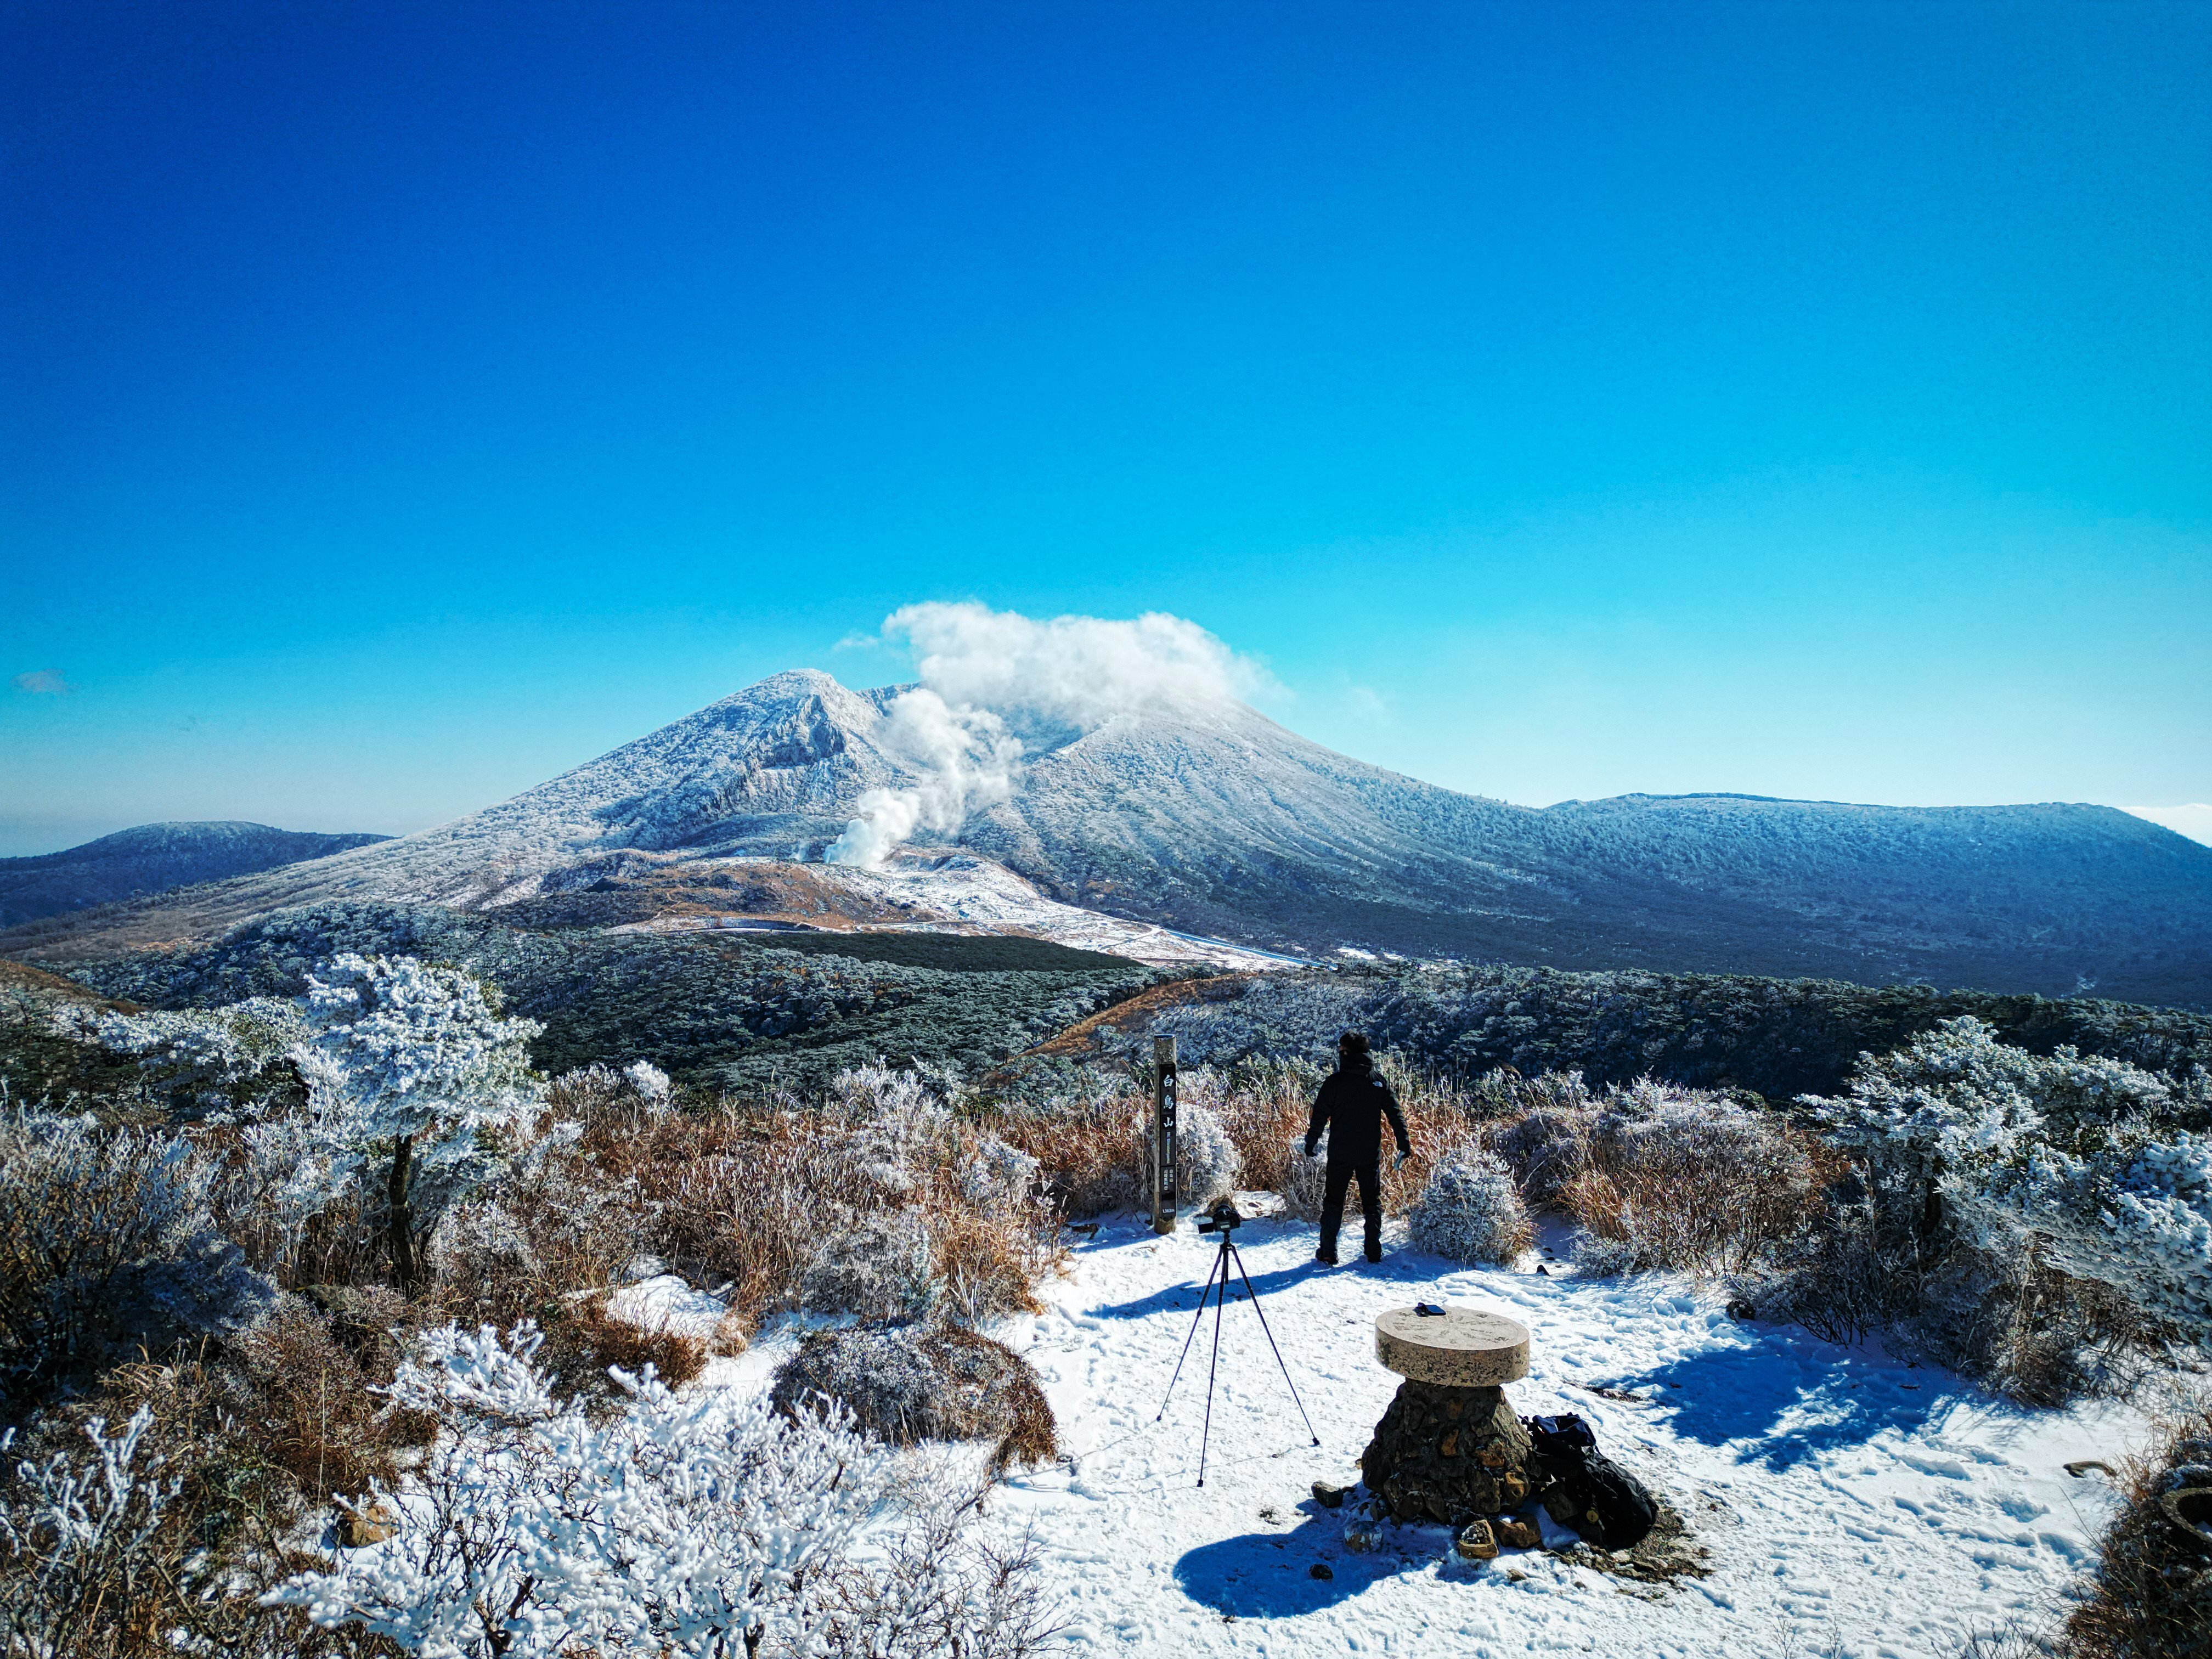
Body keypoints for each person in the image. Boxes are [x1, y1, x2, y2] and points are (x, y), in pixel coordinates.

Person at [1304, 1030, 1411, 1265]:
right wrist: (1404, 1143)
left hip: (1340, 1151)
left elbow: (1319, 1117)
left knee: (1334, 1201)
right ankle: (1373, 1251)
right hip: (1369, 1152)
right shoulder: (1377, 1080)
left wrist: (1310, 1143)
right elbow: (1395, 1114)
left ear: (1345, 1053)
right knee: (1372, 1201)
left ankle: (1329, 1251)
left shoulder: (1335, 1083)